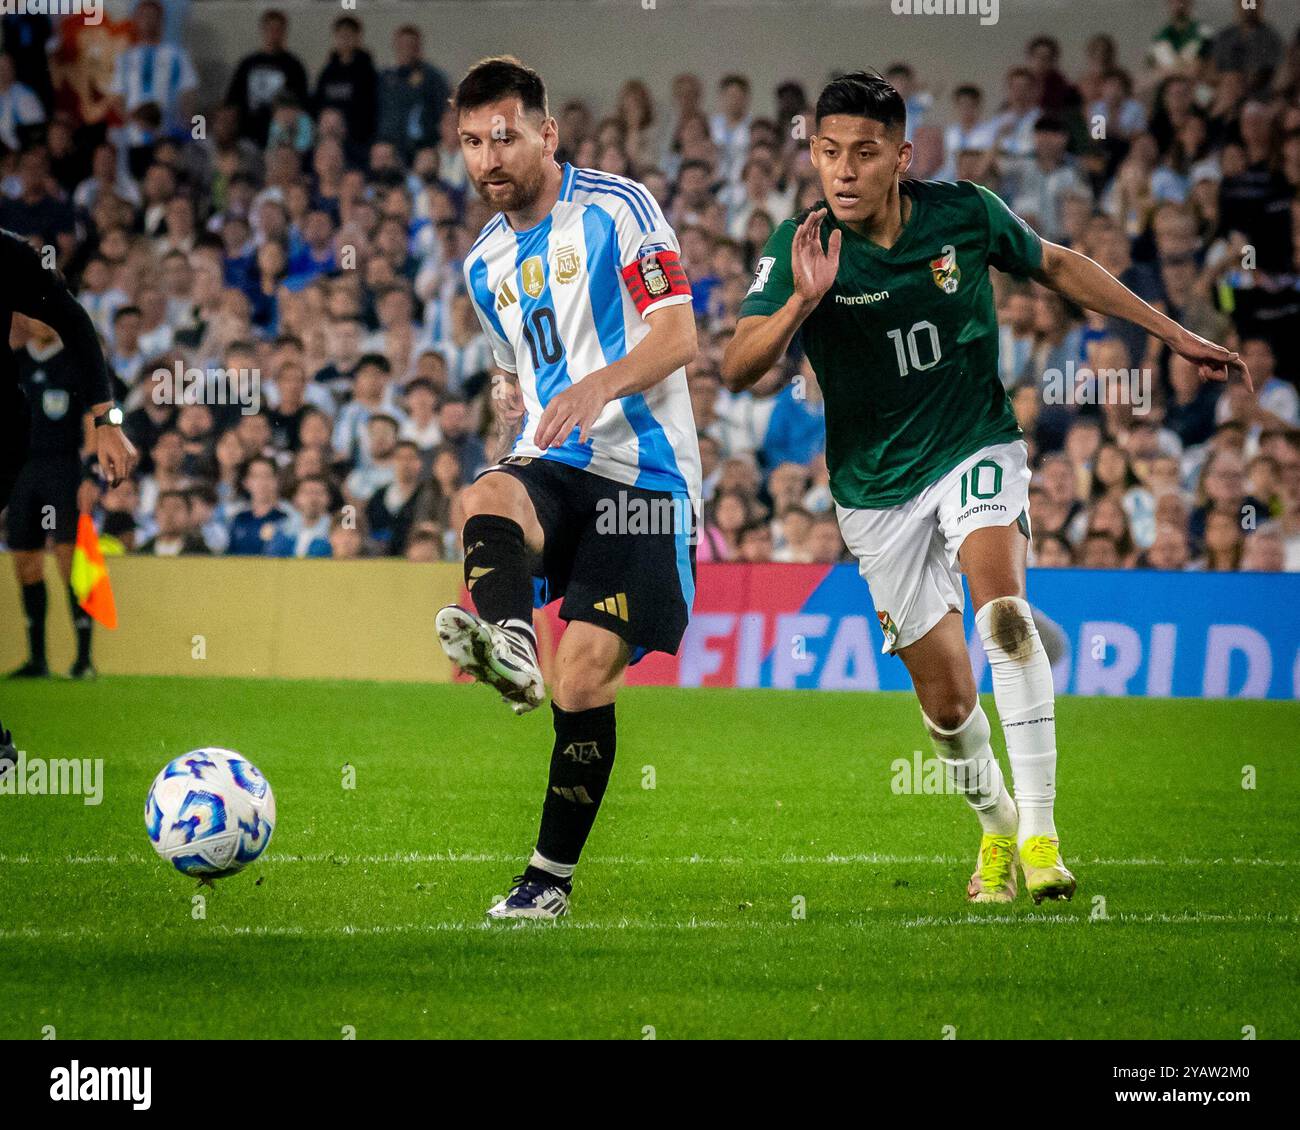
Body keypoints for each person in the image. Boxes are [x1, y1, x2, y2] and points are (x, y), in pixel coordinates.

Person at [722, 72, 1250, 907]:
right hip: (873, 489)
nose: (845, 172)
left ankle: (1041, 835)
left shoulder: (962, 213)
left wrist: (1176, 334)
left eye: (864, 153)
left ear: (901, 155)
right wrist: (801, 307)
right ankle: (998, 825)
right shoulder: (802, 243)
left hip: (973, 442)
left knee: (1003, 616)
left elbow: (1059, 266)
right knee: (946, 699)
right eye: (829, 154)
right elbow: (738, 366)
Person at [437, 57, 699, 920]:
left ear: (548, 134)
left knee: (582, 678)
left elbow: (679, 334)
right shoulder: (484, 264)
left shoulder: (619, 209)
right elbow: (509, 372)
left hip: (644, 479)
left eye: (504, 137)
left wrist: (601, 385)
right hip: (554, 463)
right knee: (481, 496)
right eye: (471, 142)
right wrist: (509, 397)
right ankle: (509, 640)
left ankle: (547, 880)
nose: (487, 159)